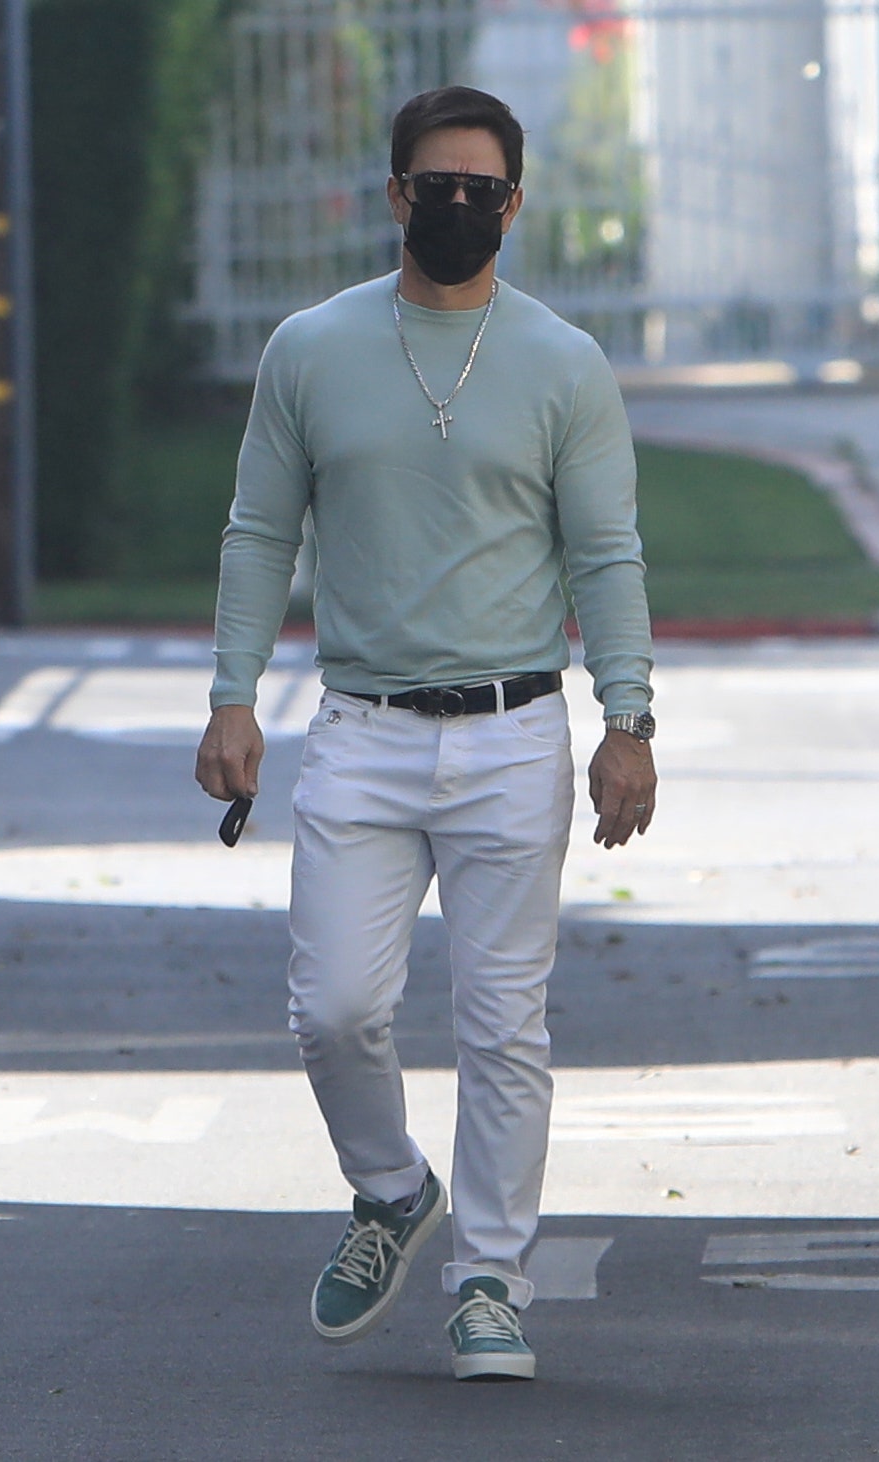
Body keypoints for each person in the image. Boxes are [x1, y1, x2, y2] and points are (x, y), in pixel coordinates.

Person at [195, 84, 656, 1382]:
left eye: (484, 189)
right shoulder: (313, 348)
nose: (460, 206)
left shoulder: (561, 362)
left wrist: (626, 716)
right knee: (334, 1007)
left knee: (503, 1023)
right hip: (361, 728)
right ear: (394, 194)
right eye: (435, 184)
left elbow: (606, 551)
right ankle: (391, 1188)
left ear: (513, 206)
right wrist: (233, 696)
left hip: (514, 733)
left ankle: (491, 1278)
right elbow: (259, 532)